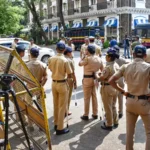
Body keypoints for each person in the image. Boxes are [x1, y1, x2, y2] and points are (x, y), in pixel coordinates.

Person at [109, 45, 150, 150]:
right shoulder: (148, 67)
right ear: (145, 55)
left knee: (130, 132)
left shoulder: (125, 67)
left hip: (130, 101)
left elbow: (111, 81)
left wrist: (123, 92)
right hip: (144, 102)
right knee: (149, 133)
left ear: (133, 54)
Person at [48, 42, 72, 135]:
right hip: (62, 83)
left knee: (56, 104)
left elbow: (50, 69)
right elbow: (69, 74)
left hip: (54, 83)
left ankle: (56, 123)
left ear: (56, 49)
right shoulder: (65, 60)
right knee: (62, 106)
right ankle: (60, 128)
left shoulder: (51, 58)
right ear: (64, 50)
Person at [79, 44, 103, 120]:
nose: (85, 51)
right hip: (95, 79)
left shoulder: (87, 59)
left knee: (86, 98)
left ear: (88, 51)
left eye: (86, 50)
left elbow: (79, 64)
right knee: (95, 97)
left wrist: (83, 57)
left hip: (87, 79)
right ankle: (95, 113)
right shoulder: (99, 59)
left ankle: (86, 114)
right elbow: (103, 70)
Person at [98, 48, 119, 131]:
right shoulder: (116, 65)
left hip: (107, 87)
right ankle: (115, 121)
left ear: (109, 57)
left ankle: (109, 124)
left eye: (106, 55)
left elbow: (102, 78)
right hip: (114, 87)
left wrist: (97, 76)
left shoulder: (108, 67)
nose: (105, 57)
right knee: (113, 105)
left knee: (108, 107)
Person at [12, 45, 28, 125]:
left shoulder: (13, 58)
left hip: (13, 81)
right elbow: (21, 74)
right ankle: (23, 120)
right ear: (21, 52)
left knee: (16, 99)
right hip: (18, 82)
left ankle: (17, 117)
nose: (24, 53)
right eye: (24, 52)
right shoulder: (19, 61)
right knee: (21, 100)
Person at [113, 45, 129, 118]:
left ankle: (113, 111)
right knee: (120, 97)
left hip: (114, 80)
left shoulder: (112, 59)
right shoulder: (122, 59)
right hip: (121, 80)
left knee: (113, 97)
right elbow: (128, 64)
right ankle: (120, 112)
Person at [64, 46, 77, 115]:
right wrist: (75, 82)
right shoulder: (70, 60)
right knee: (68, 96)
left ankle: (61, 110)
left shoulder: (61, 59)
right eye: (71, 52)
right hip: (69, 79)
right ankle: (66, 110)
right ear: (69, 53)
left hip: (61, 80)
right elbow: (72, 73)